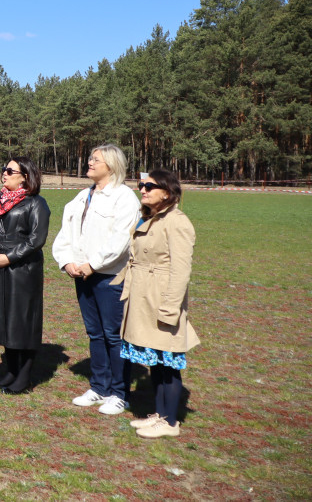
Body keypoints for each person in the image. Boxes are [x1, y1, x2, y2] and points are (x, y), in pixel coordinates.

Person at [52, 144, 141, 415]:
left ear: (112, 166)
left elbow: (122, 240)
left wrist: (92, 264)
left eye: (95, 160)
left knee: (114, 336)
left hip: (110, 277)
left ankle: (119, 393)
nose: (89, 163)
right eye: (90, 158)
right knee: (95, 334)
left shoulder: (124, 198)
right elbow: (66, 233)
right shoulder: (81, 197)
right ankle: (99, 387)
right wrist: (66, 261)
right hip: (82, 275)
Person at [113, 169, 199, 438]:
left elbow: (181, 271)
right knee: (155, 360)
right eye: (142, 185)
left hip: (160, 299)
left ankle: (170, 421)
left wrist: (170, 308)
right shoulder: (149, 218)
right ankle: (160, 414)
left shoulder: (177, 222)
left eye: (150, 186)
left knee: (168, 361)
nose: (143, 189)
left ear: (168, 193)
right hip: (142, 297)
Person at [0, 157, 51, 395]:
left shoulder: (36, 203)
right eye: (4, 169)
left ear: (25, 176)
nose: (4, 173)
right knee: (3, 320)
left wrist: (9, 257)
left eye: (10, 170)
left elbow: (36, 239)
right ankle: (11, 370)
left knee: (22, 323)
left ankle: (24, 376)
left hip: (22, 272)